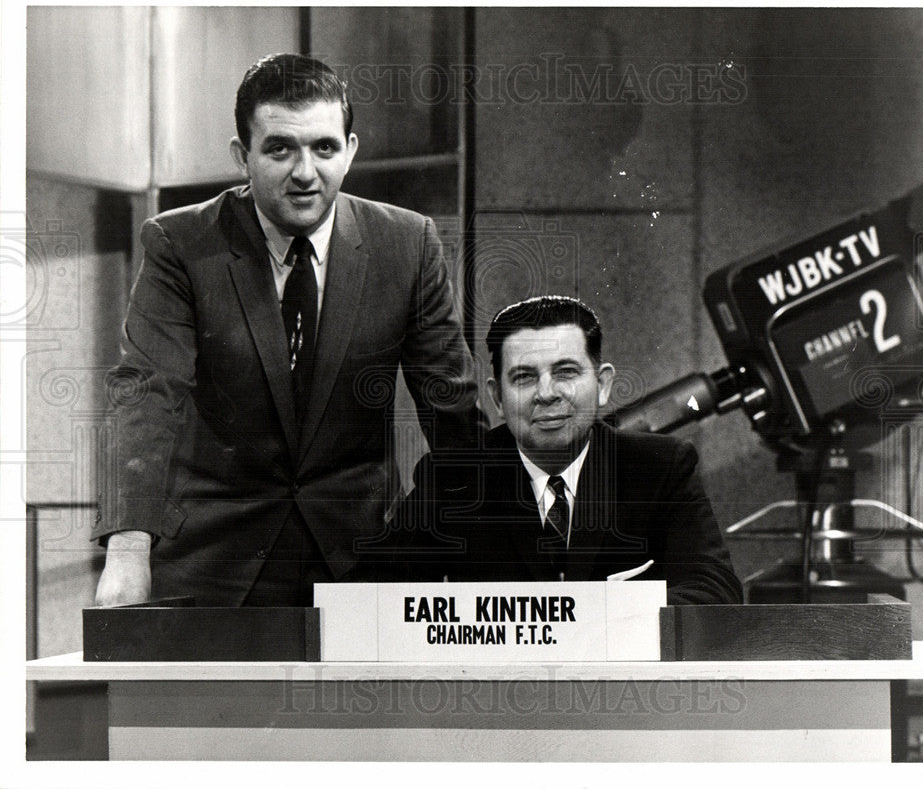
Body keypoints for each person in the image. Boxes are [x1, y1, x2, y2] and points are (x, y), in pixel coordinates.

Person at [93, 53, 484, 607]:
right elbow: (146, 395)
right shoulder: (180, 244)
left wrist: (476, 542)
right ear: (242, 156)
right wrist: (128, 552)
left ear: (350, 151)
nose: (305, 172)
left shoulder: (408, 243)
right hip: (213, 566)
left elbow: (452, 410)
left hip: (363, 563)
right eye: (280, 148)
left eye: (324, 147)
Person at [395, 295, 743, 604]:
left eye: (565, 372)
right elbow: (377, 592)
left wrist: (600, 621)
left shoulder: (660, 467)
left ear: (603, 385)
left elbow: (715, 590)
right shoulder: (452, 478)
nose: (546, 393)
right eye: (524, 377)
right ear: (497, 397)